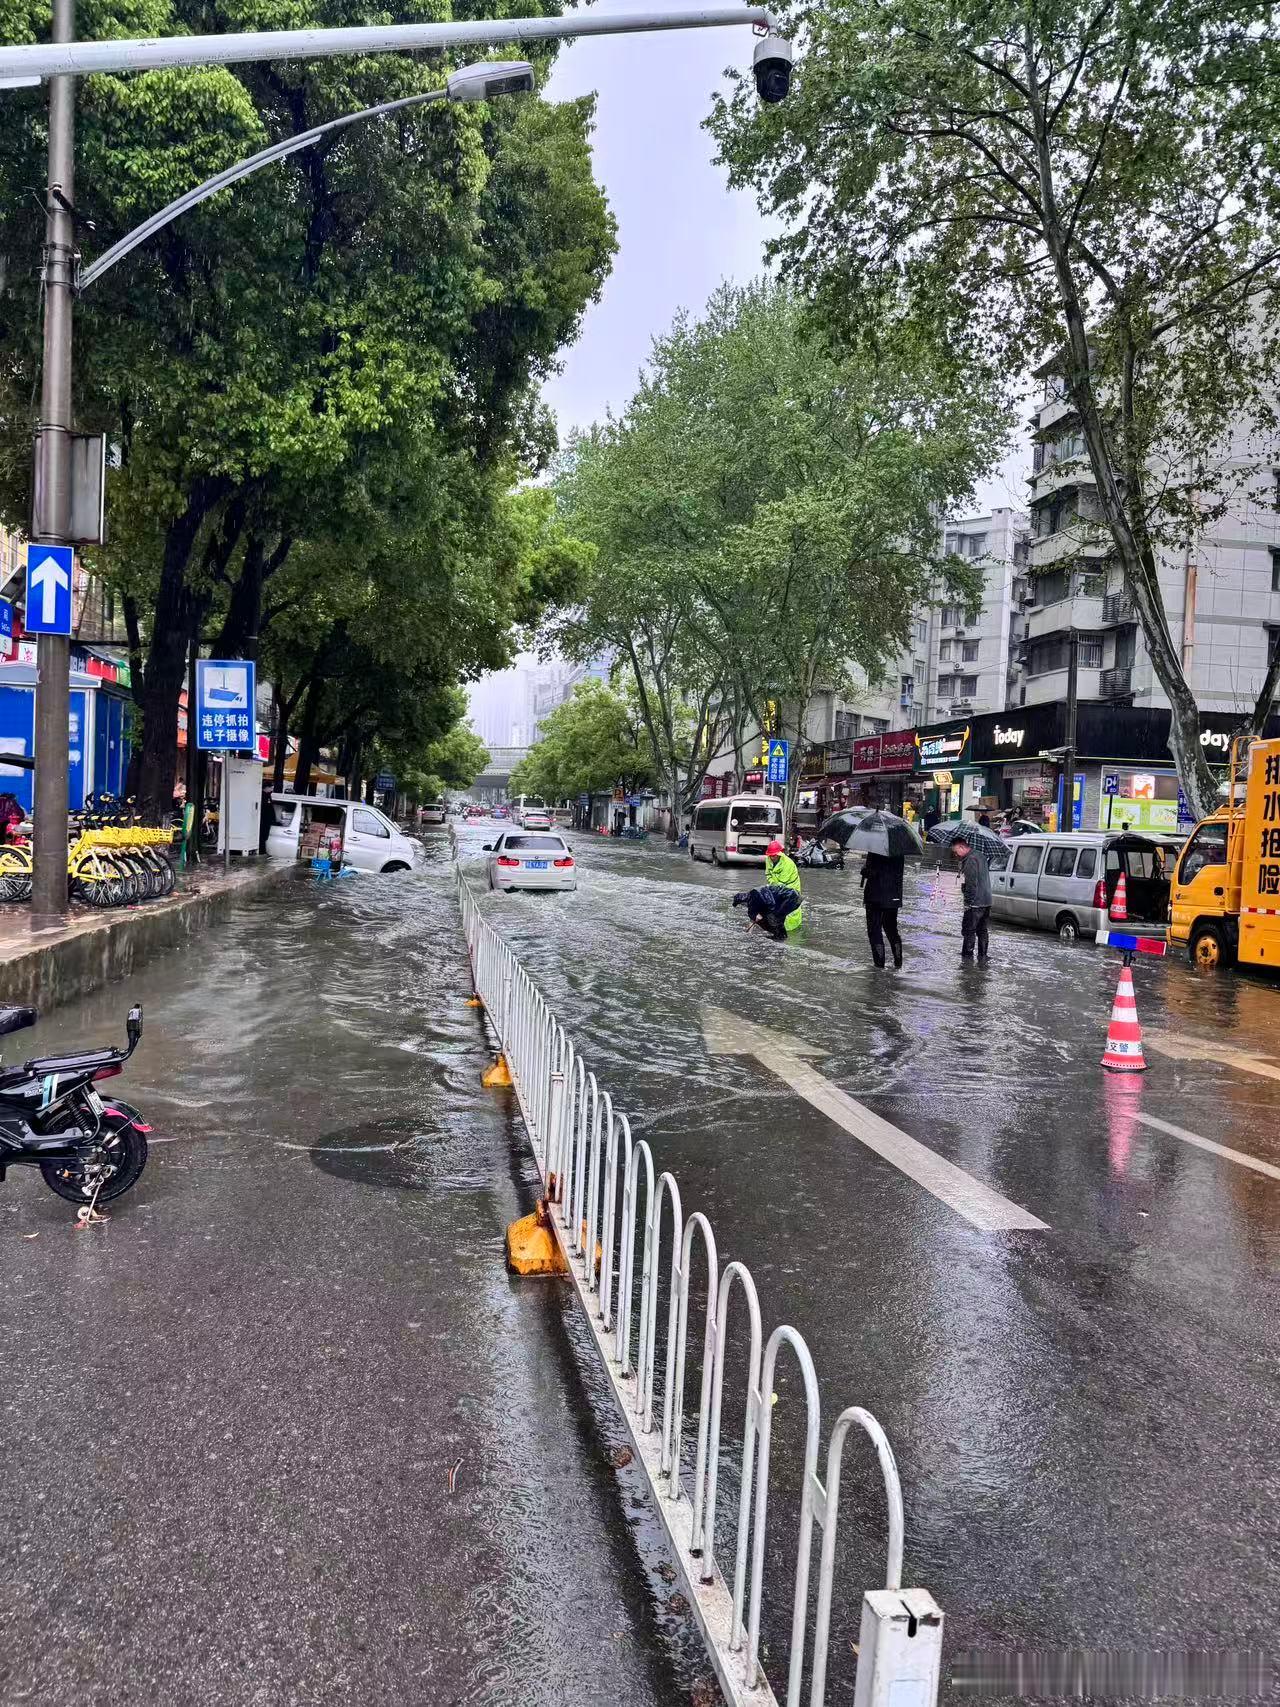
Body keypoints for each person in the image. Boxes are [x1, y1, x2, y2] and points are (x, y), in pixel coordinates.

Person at [733, 838, 804, 939]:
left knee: (789, 911)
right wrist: (771, 885)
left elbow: (782, 883)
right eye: (770, 855)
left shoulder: (788, 864)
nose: (772, 858)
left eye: (774, 855)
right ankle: (779, 931)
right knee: (774, 910)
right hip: (774, 888)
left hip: (789, 888)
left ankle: (791, 933)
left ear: (779, 853)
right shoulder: (768, 859)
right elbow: (768, 874)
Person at [861, 850, 904, 969]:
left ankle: (879, 966)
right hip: (894, 896)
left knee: (875, 931)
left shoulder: (875, 848)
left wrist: (864, 870)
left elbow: (872, 872)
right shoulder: (899, 850)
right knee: (892, 930)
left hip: (875, 896)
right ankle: (898, 963)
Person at [952, 834, 992, 962]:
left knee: (969, 931)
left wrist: (967, 903)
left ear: (961, 846)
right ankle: (983, 957)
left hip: (975, 903)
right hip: (986, 900)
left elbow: (971, 884)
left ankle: (967, 961)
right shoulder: (980, 855)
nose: (955, 854)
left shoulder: (970, 860)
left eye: (956, 851)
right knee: (982, 931)